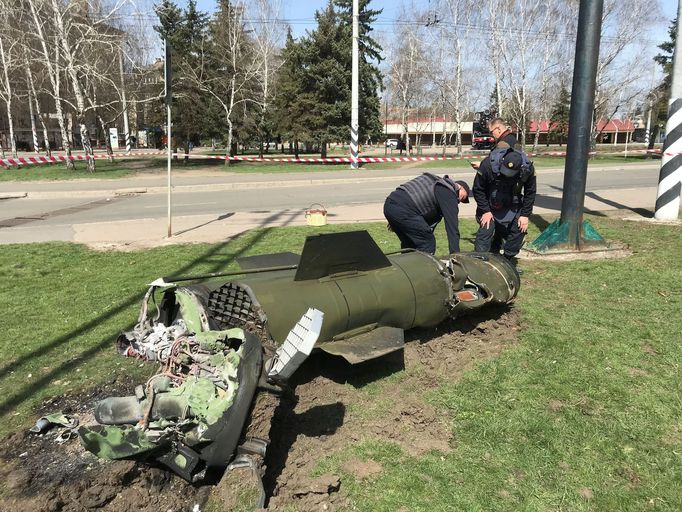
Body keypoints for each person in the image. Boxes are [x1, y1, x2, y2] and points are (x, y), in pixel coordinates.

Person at [472, 146, 536, 264]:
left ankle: (507, 261)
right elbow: (477, 189)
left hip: (513, 204)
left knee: (519, 229)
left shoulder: (528, 169)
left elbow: (530, 192)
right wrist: (485, 210)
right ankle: (480, 263)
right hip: (489, 204)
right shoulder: (488, 165)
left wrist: (525, 215)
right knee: (486, 229)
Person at [384, 173, 471, 255]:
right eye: (463, 197)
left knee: (410, 244)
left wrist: (395, 218)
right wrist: (455, 254)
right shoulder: (448, 191)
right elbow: (452, 227)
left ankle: (406, 268)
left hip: (390, 205)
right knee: (427, 242)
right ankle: (424, 270)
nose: (459, 201)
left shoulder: (436, 182)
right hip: (403, 210)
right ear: (461, 188)